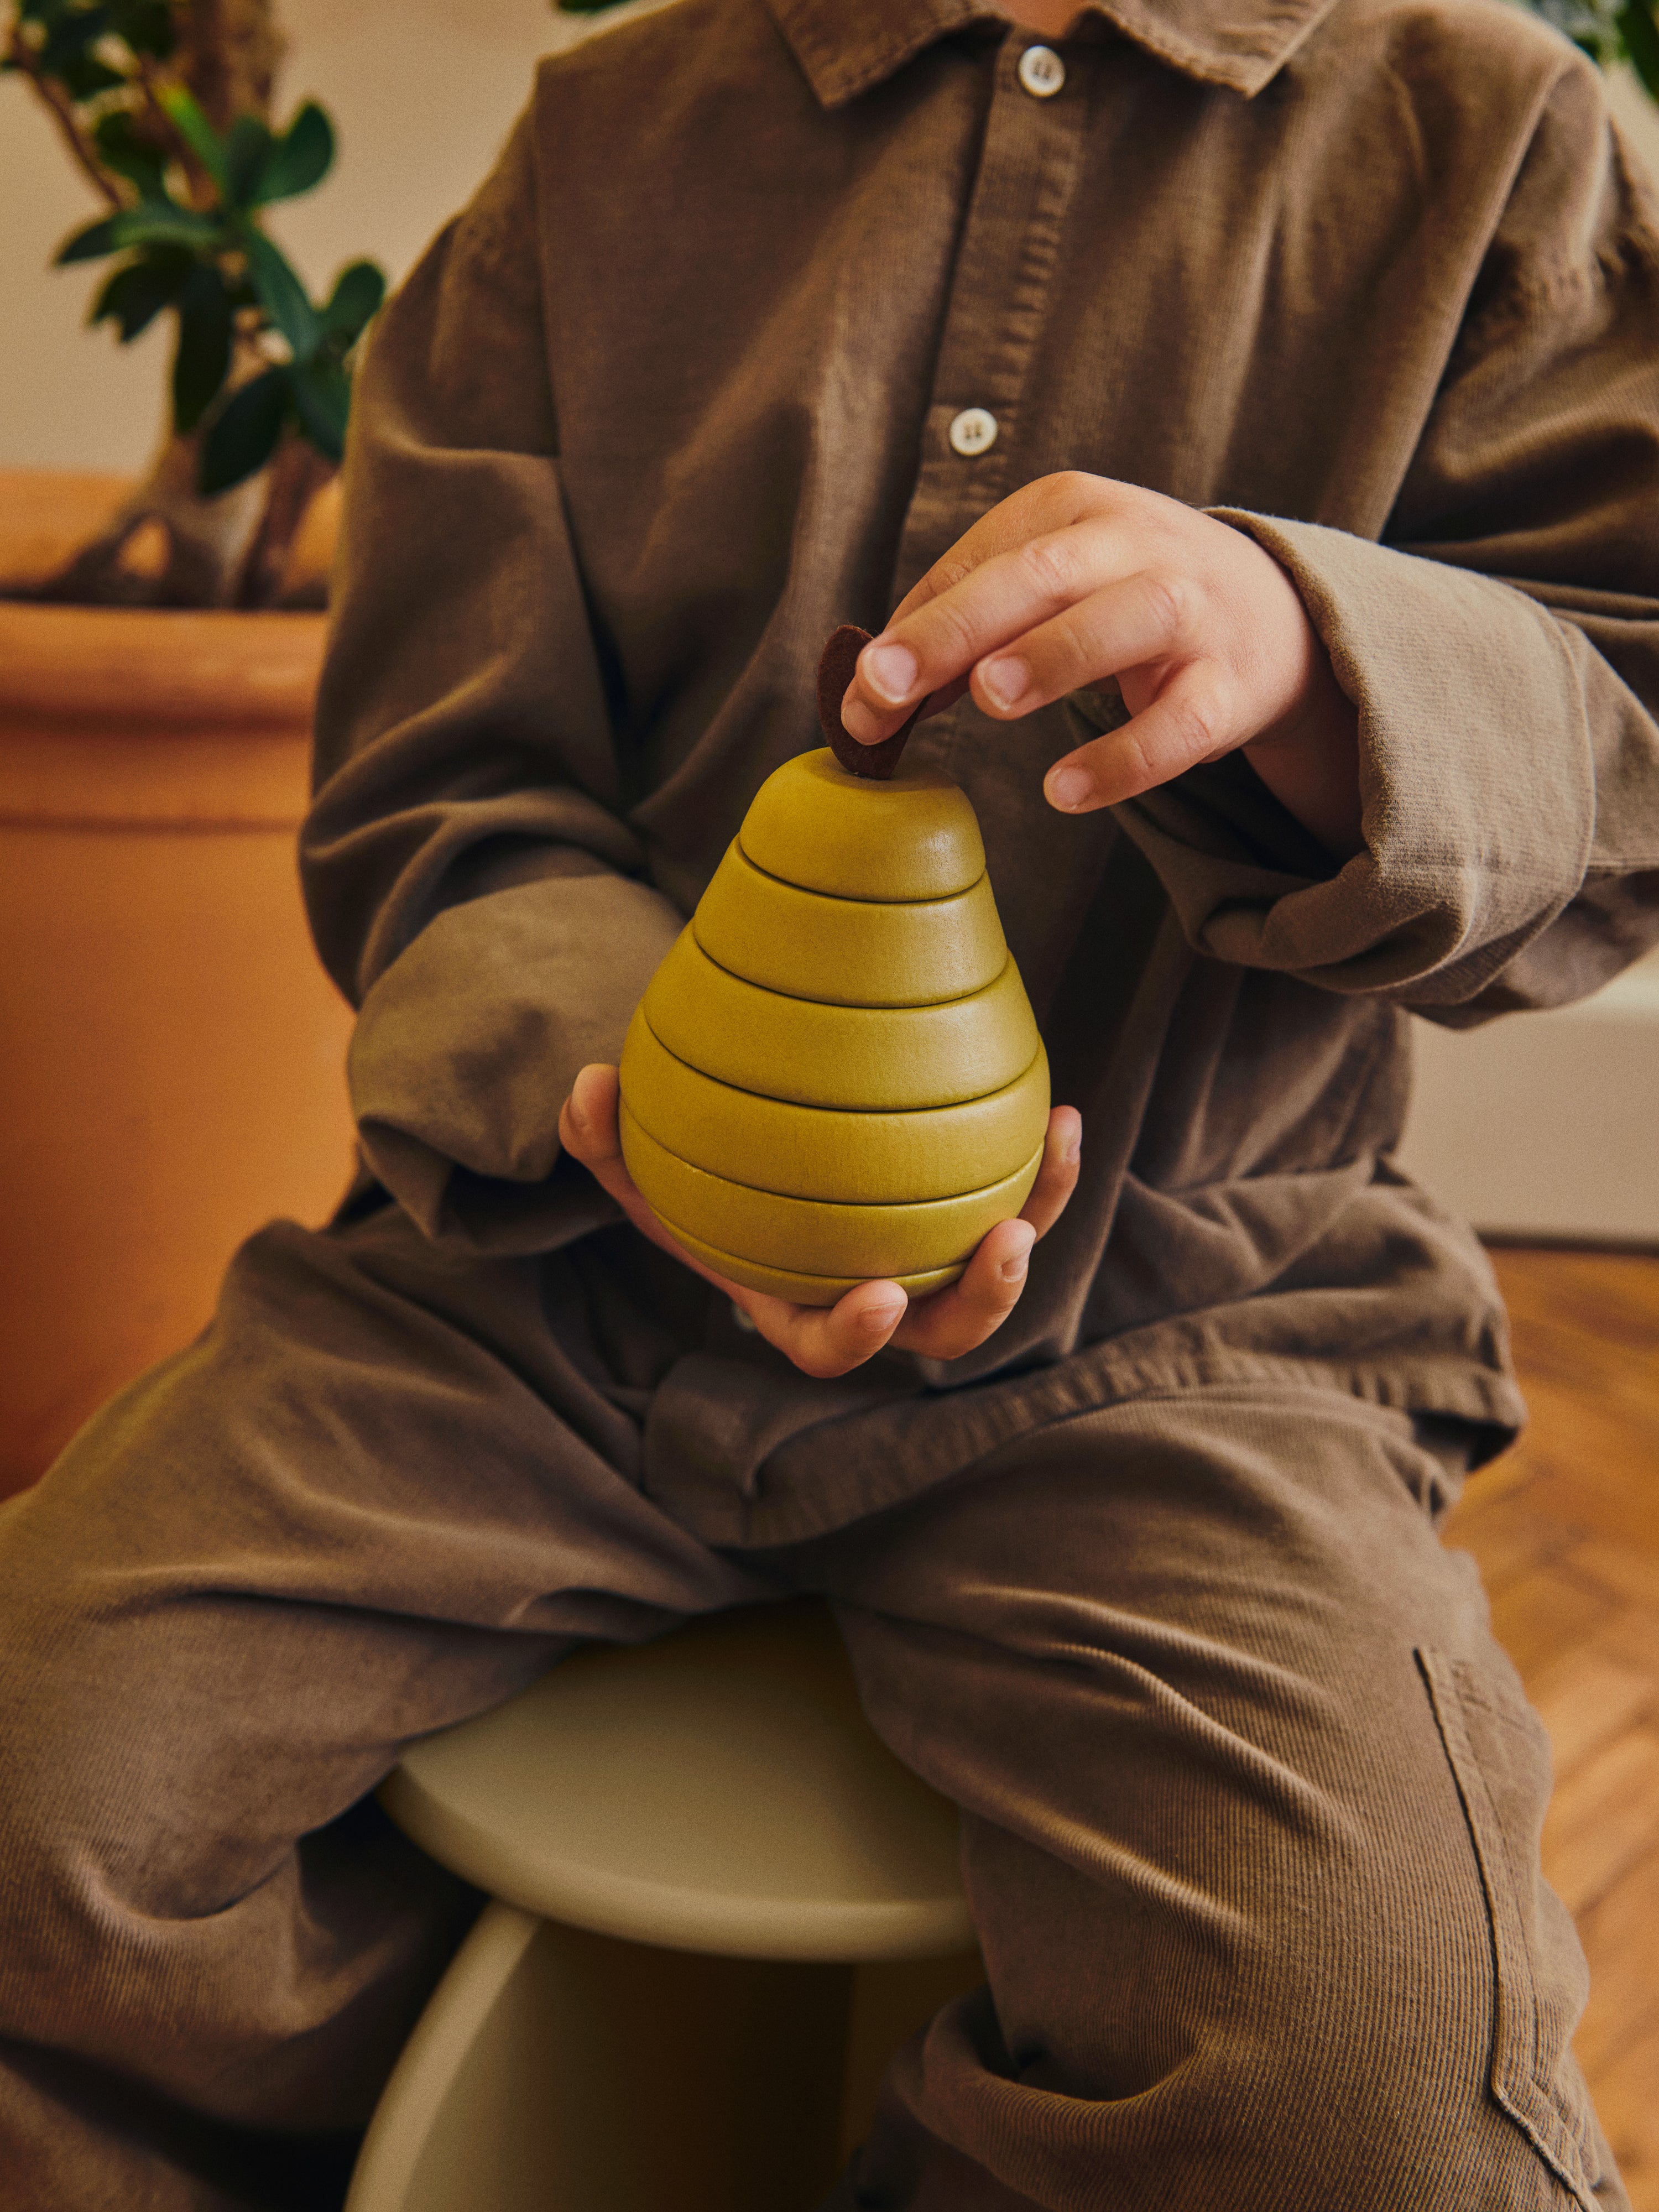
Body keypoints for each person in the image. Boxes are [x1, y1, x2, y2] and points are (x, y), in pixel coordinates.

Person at [3, 0, 1656, 2202]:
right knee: (43, 1790)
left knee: (1362, 2091)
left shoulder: (1492, 143)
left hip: (1185, 1329)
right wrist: (665, 1109)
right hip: (535, 1285)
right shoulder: (604, 143)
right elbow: (441, 782)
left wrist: (1307, 647)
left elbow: (1621, 724)